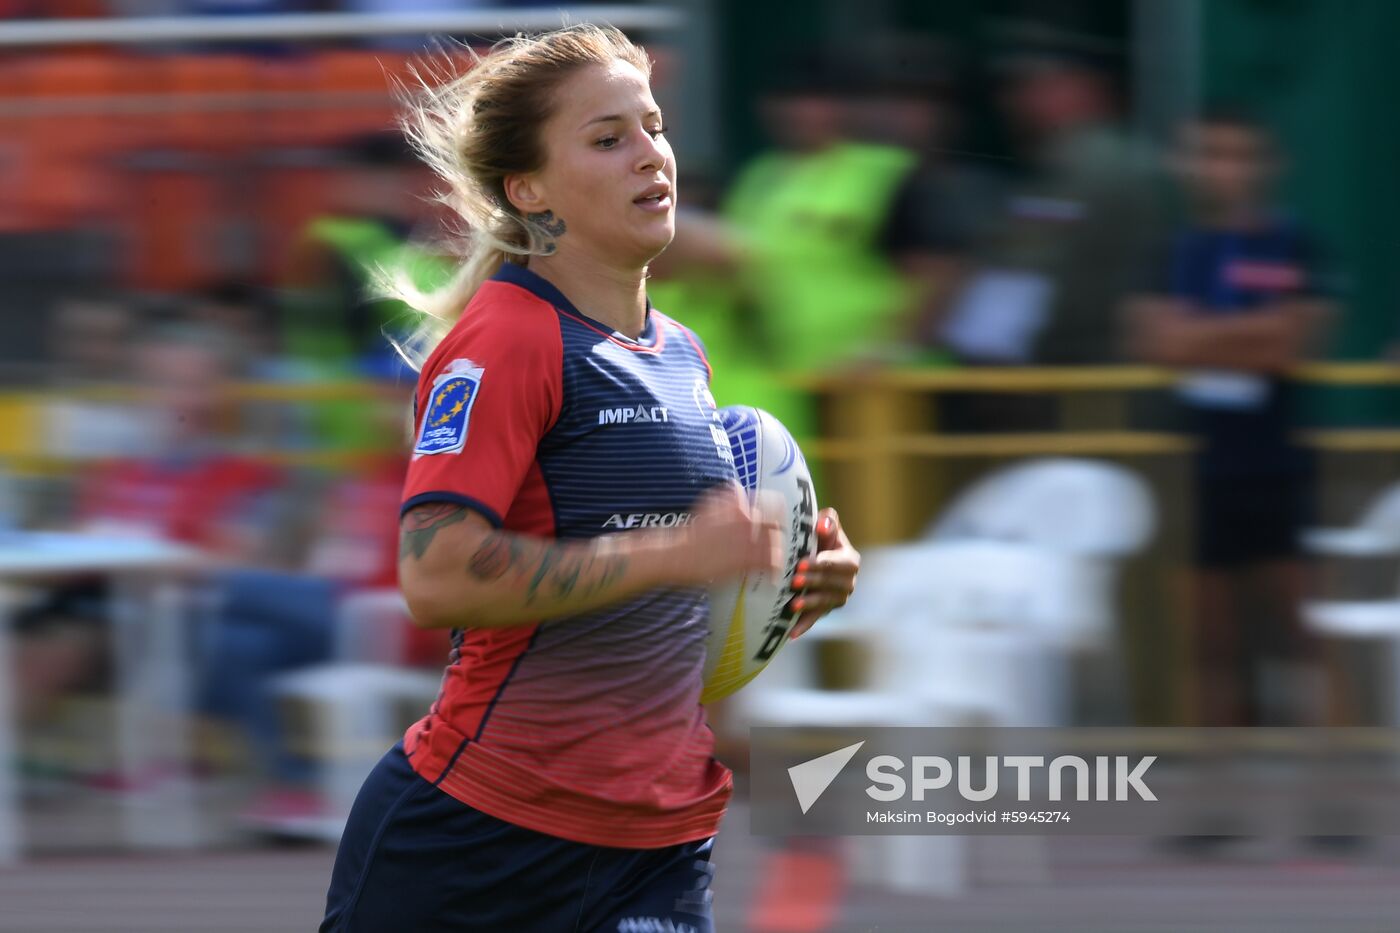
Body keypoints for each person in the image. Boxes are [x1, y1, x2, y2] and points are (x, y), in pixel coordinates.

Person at [319, 25, 861, 933]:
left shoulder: (681, 353)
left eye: (654, 128)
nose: (651, 156)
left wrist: (789, 585)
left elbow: (677, 616)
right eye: (608, 139)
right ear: (527, 189)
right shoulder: (507, 337)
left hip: (658, 842)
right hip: (482, 840)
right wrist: (680, 550)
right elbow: (438, 575)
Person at [1126, 106, 1333, 728]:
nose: (1223, 169)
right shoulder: (1168, 252)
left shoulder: (1298, 245)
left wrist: (1200, 333)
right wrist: (1252, 329)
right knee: (1210, 644)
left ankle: (1335, 795)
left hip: (1279, 460)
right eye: (1209, 153)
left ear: (1269, 165)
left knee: (1302, 636)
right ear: (1184, 163)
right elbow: (1156, 344)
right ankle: (1217, 803)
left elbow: (1290, 343)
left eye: (1239, 155)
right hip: (1197, 465)